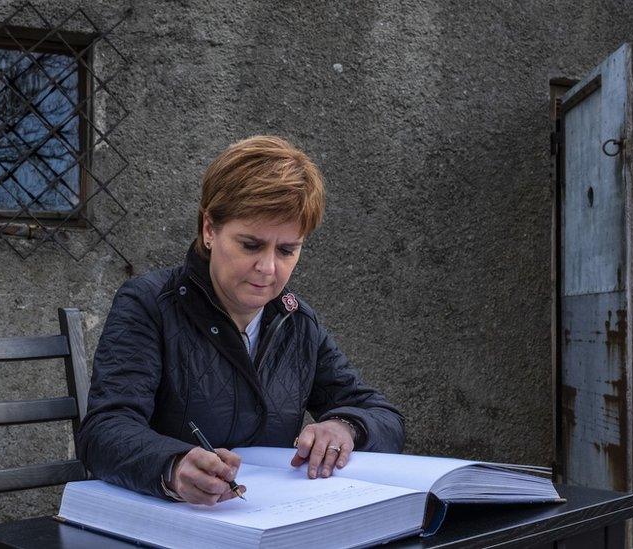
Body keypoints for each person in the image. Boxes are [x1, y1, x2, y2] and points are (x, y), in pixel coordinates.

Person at [75, 136, 405, 505]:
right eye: (250, 245)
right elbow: (104, 430)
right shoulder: (151, 305)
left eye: (286, 250)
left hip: (267, 522)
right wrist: (172, 465)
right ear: (209, 230)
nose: (268, 268)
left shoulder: (295, 322)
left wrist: (345, 426)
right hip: (172, 524)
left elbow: (384, 417)